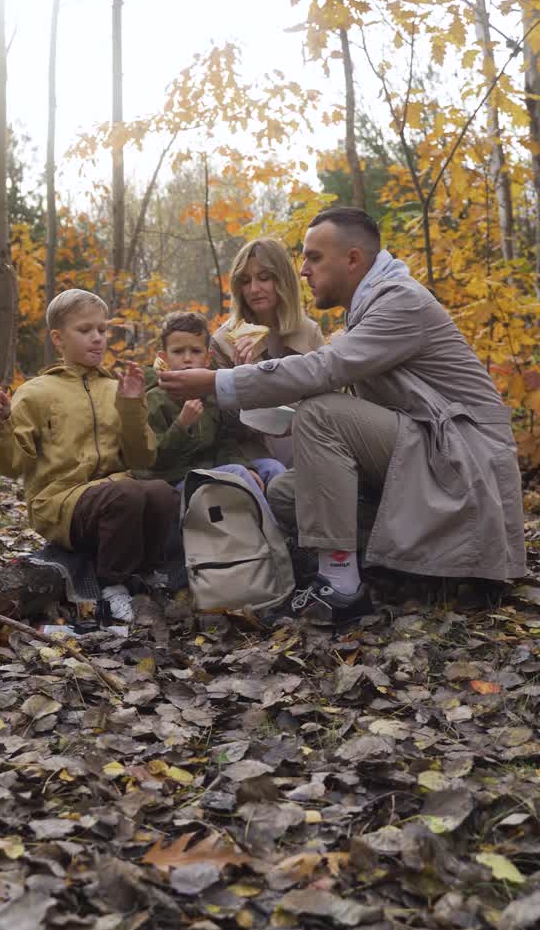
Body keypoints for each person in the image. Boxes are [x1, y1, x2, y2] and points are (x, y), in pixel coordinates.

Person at [158, 207, 526, 626]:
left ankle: (340, 587)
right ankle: (405, 569)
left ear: (353, 259)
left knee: (322, 414)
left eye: (314, 257)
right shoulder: (367, 309)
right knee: (285, 493)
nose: (302, 270)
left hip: (464, 457)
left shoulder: (400, 301)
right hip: (428, 450)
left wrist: (216, 382)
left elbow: (322, 371)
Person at [0, 288, 178, 623]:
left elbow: (142, 458)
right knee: (126, 494)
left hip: (113, 494)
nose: (97, 338)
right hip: (60, 503)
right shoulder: (36, 392)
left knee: (161, 492)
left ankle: (146, 575)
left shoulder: (114, 387)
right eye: (85, 330)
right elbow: (12, 465)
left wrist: (132, 406)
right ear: (58, 339)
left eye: (102, 330)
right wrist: (0, 425)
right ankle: (111, 587)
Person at [142, 310, 285, 506]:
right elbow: (154, 461)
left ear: (207, 358)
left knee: (272, 468)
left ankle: (294, 530)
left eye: (195, 351)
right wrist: (181, 425)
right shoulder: (155, 399)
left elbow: (225, 442)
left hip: (213, 468)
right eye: (177, 352)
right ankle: (270, 534)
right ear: (163, 357)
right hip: (176, 480)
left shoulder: (211, 395)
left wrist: (245, 465)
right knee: (239, 474)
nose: (187, 358)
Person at [210, 236, 324, 477]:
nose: (253, 289)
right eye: (245, 281)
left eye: (264, 278)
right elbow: (224, 428)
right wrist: (241, 383)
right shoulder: (223, 340)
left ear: (282, 280)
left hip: (308, 446)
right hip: (255, 457)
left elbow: (326, 407)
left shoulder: (309, 332)